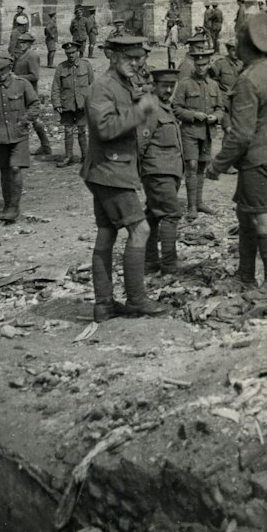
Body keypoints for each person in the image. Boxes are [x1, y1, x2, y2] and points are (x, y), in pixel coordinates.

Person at [207, 12, 267, 298]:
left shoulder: (248, 81)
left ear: (247, 45)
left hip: (256, 154)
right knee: (245, 214)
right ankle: (245, 277)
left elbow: (240, 135)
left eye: (239, 40)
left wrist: (217, 165)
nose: (234, 46)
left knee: (258, 217)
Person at [83, 34, 165, 319]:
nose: (135, 64)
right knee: (140, 230)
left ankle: (103, 304)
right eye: (128, 58)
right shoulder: (102, 87)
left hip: (110, 170)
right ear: (112, 57)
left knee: (107, 233)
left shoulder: (121, 84)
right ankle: (137, 300)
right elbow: (105, 129)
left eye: (138, 59)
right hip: (110, 171)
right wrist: (139, 111)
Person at [0, 48, 40, 223]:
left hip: (18, 135)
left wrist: (24, 120)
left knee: (15, 168)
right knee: (4, 171)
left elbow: (35, 104)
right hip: (0, 136)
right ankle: (7, 206)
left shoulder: (22, 84)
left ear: (10, 68)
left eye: (2, 70)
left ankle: (14, 207)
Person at [172, 35, 226, 218]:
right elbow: (176, 108)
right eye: (198, 65)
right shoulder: (185, 84)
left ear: (209, 64)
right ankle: (192, 206)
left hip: (207, 132)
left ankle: (200, 202)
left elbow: (221, 108)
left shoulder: (214, 85)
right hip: (190, 132)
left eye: (204, 65)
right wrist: (194, 115)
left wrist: (215, 117)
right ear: (194, 65)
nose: (201, 68)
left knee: (202, 166)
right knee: (192, 166)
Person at [138, 67, 185, 276]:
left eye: (171, 86)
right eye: (164, 86)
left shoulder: (164, 107)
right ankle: (169, 266)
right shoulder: (151, 109)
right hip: (157, 171)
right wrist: (140, 172)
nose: (168, 90)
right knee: (171, 214)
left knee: (154, 215)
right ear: (154, 86)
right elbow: (140, 143)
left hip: (168, 170)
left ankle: (149, 261)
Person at [51, 40, 94, 168]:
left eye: (73, 52)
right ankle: (68, 156)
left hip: (82, 103)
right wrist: (56, 103)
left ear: (78, 52)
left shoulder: (86, 65)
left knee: (82, 130)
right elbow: (56, 87)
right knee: (68, 130)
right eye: (68, 53)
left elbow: (93, 85)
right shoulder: (61, 67)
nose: (70, 55)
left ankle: (85, 157)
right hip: (67, 104)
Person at [13, 31, 53, 157]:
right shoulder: (22, 55)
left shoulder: (32, 56)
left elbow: (34, 76)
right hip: (21, 92)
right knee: (34, 120)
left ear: (29, 44)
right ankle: (45, 146)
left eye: (24, 43)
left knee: (30, 119)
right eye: (20, 42)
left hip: (29, 93)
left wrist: (17, 77)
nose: (21, 45)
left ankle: (39, 147)